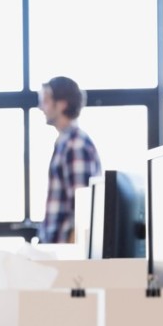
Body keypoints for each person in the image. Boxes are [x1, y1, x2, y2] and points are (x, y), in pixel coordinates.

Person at [37, 76, 101, 244]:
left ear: (62, 104)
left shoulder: (76, 145)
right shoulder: (64, 142)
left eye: (46, 101)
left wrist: (72, 256)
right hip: (55, 244)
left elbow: (83, 209)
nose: (41, 107)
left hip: (65, 248)